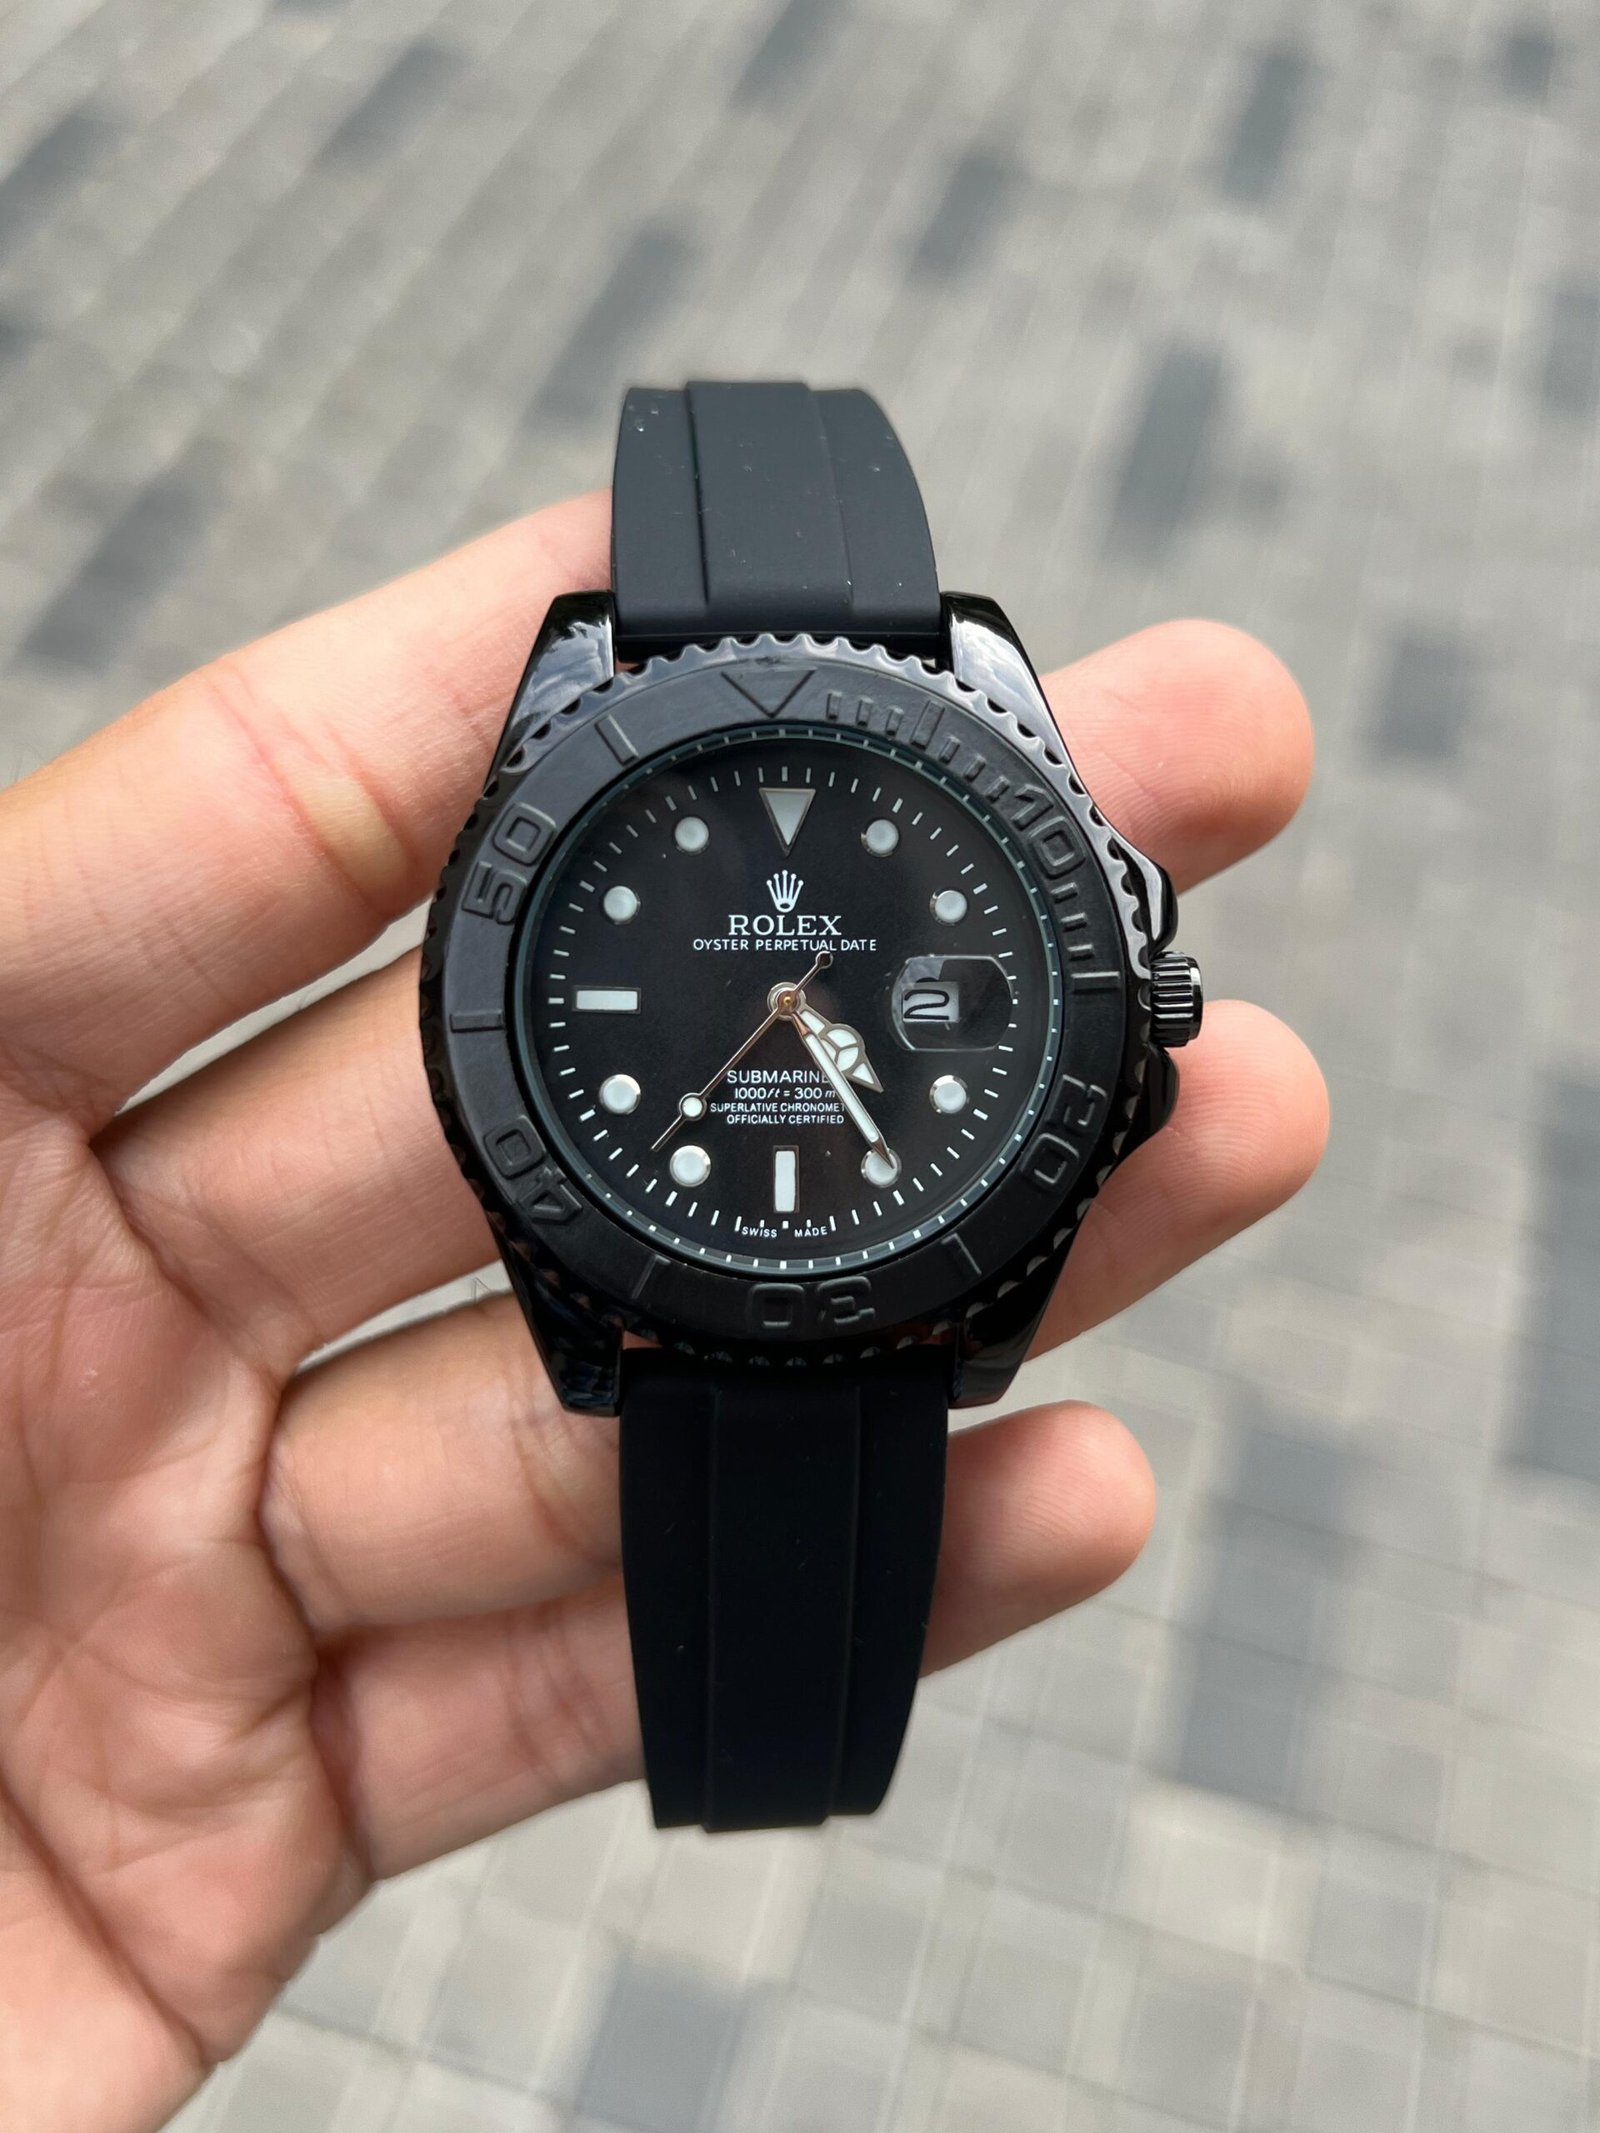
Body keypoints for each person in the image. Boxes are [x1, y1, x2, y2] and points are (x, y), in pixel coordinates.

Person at [0, 489, 1325, 2131]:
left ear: (1135, 1009)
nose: (787, 998)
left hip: (841, 1261)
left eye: (802, 996)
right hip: (710, 1269)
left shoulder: (935, 856)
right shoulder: (900, 728)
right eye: (780, 996)